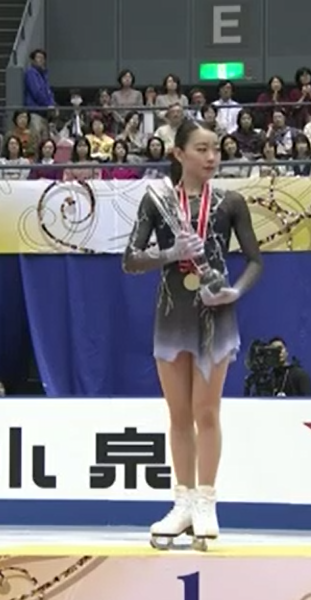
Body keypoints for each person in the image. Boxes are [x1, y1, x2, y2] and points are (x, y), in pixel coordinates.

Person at [123, 119, 264, 551]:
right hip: (172, 314)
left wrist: (234, 292)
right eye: (202, 149)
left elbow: (255, 261)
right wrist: (171, 252)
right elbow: (130, 259)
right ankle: (182, 502)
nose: (212, 157)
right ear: (179, 153)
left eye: (215, 149)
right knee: (179, 415)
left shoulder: (230, 201)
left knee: (207, 411)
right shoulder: (157, 201)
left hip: (215, 313)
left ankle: (206, 501)